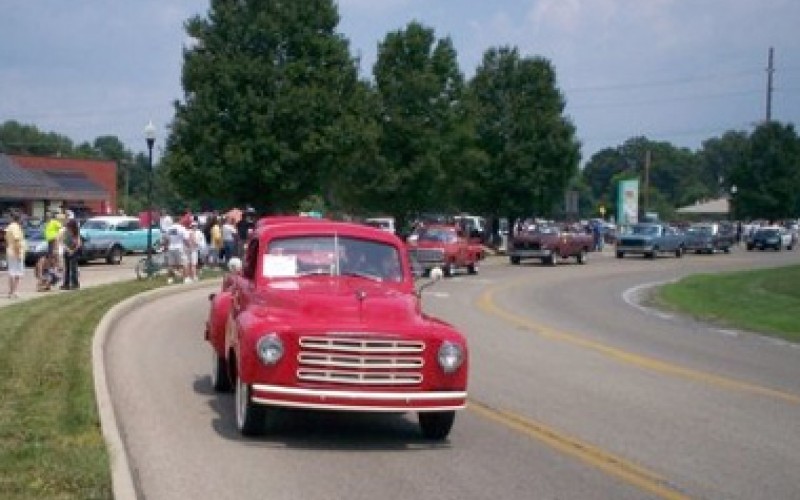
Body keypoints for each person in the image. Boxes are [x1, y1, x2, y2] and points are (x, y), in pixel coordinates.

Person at [4, 211, 26, 299]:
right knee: (16, 273)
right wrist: (18, 253)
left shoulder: (9, 227)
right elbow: (17, 240)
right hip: (16, 252)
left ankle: (11, 292)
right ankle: (13, 292)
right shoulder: (15, 227)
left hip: (11, 251)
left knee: (12, 272)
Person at [165, 220, 189, 284]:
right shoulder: (181, 228)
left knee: (171, 265)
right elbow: (185, 239)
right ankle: (186, 278)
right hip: (179, 247)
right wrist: (188, 246)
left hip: (171, 247)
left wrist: (166, 247)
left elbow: (167, 239)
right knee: (184, 263)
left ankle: (170, 279)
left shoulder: (169, 229)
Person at [61, 219, 82, 290]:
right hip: (67, 251)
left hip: (74, 251)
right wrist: (68, 250)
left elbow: (79, 243)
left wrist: (73, 250)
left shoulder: (76, 232)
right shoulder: (66, 232)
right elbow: (63, 243)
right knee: (66, 268)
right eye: (68, 226)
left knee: (73, 268)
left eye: (70, 226)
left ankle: (75, 284)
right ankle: (66, 284)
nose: (68, 228)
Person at [185, 219, 207, 283]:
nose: (194, 227)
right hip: (189, 250)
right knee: (191, 263)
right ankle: (192, 276)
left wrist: (200, 246)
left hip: (195, 249)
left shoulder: (199, 232)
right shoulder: (188, 231)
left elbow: (202, 241)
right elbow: (187, 240)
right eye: (193, 226)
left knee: (193, 263)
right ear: (191, 226)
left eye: (195, 226)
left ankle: (193, 276)